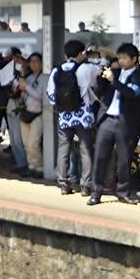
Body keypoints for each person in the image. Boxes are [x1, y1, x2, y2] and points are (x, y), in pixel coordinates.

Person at [88, 43, 140, 206]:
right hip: (107, 119)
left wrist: (114, 81)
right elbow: (98, 91)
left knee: (124, 159)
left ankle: (123, 192)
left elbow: (132, 93)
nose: (120, 61)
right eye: (119, 57)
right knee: (100, 156)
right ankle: (96, 192)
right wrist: (100, 79)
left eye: (124, 58)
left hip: (125, 121)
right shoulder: (114, 72)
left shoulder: (139, 77)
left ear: (134, 59)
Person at [48, 39, 100, 195]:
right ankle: (85, 186)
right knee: (85, 149)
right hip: (83, 115)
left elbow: (51, 95)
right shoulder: (86, 69)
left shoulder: (57, 71)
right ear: (80, 53)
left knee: (63, 149)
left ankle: (64, 184)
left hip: (64, 116)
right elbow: (95, 86)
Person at [18, 52, 48, 177]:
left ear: (41, 63)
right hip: (26, 112)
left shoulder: (44, 78)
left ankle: (39, 167)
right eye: (31, 61)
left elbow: (41, 97)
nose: (33, 64)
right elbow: (25, 96)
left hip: (38, 114)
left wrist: (27, 88)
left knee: (33, 143)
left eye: (36, 61)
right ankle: (31, 166)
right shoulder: (29, 78)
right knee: (26, 143)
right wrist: (22, 89)